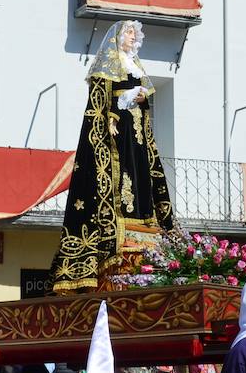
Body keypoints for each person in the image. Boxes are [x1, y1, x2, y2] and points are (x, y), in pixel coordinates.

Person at [51, 20, 176, 293]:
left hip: (137, 139)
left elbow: (145, 103)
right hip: (116, 138)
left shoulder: (137, 68)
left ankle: (146, 227)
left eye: (135, 33)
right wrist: (112, 113)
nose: (133, 37)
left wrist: (142, 100)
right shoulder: (104, 69)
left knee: (143, 177)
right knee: (119, 184)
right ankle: (114, 239)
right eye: (129, 32)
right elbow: (97, 107)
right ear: (117, 38)